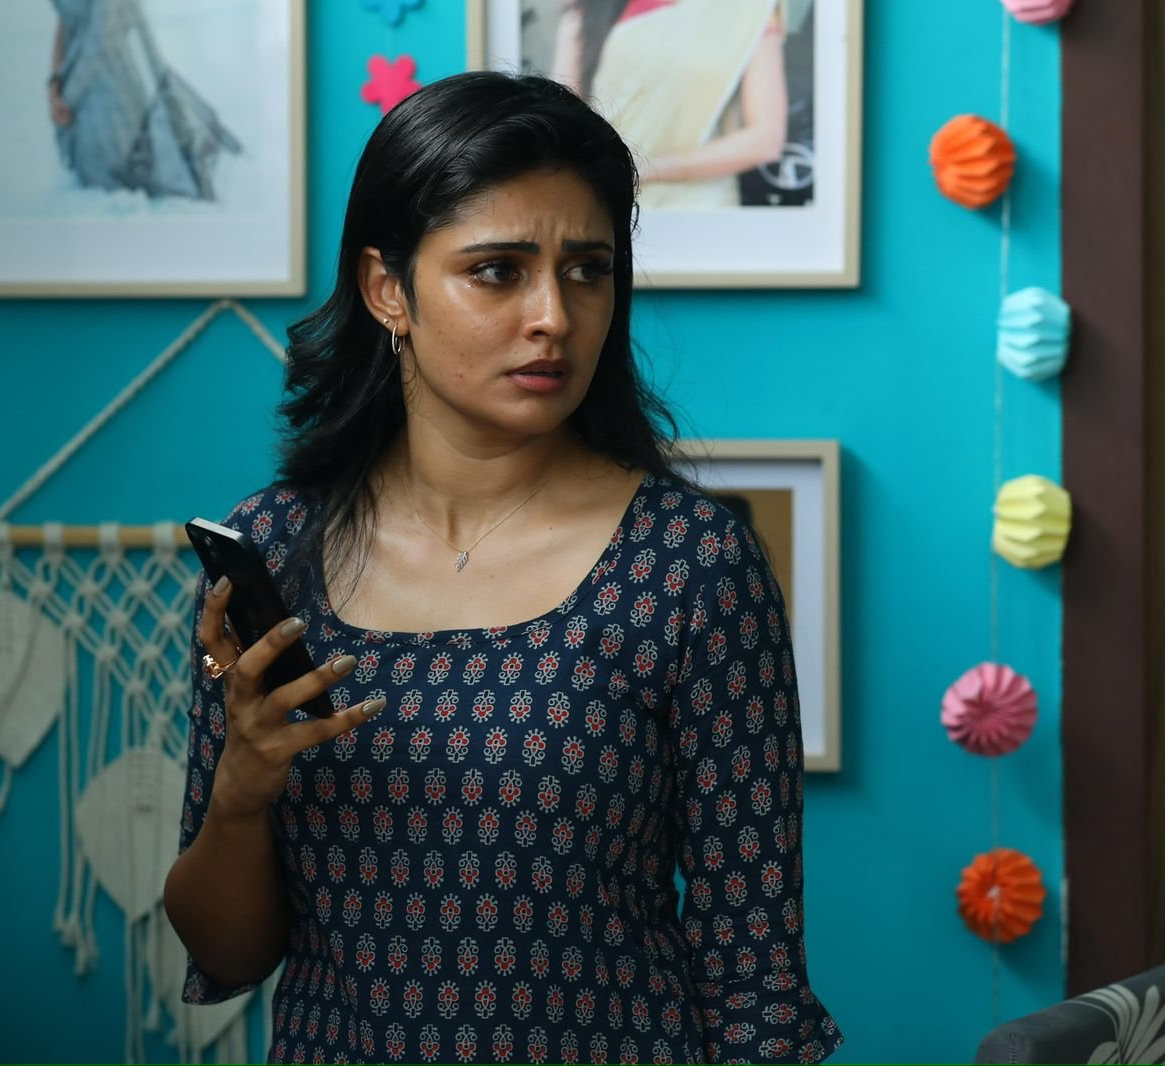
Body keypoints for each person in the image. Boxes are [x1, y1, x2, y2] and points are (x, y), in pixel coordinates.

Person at [162, 71, 842, 1064]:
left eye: (587, 270)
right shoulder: (271, 551)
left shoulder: (690, 565)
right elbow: (227, 953)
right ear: (387, 289)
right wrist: (240, 790)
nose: (554, 316)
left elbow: (757, 979)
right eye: (497, 271)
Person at [547, 0, 790, 209]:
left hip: (702, 210)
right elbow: (561, 118)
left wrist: (642, 168)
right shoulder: (589, 7)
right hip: (606, 202)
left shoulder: (747, 9)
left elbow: (764, 140)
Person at [46, 0, 241, 201]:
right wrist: (54, 86)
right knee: (90, 193)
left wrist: (67, 98)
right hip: (72, 93)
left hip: (111, 99)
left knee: (113, 192)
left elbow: (102, 39)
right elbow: (63, 24)